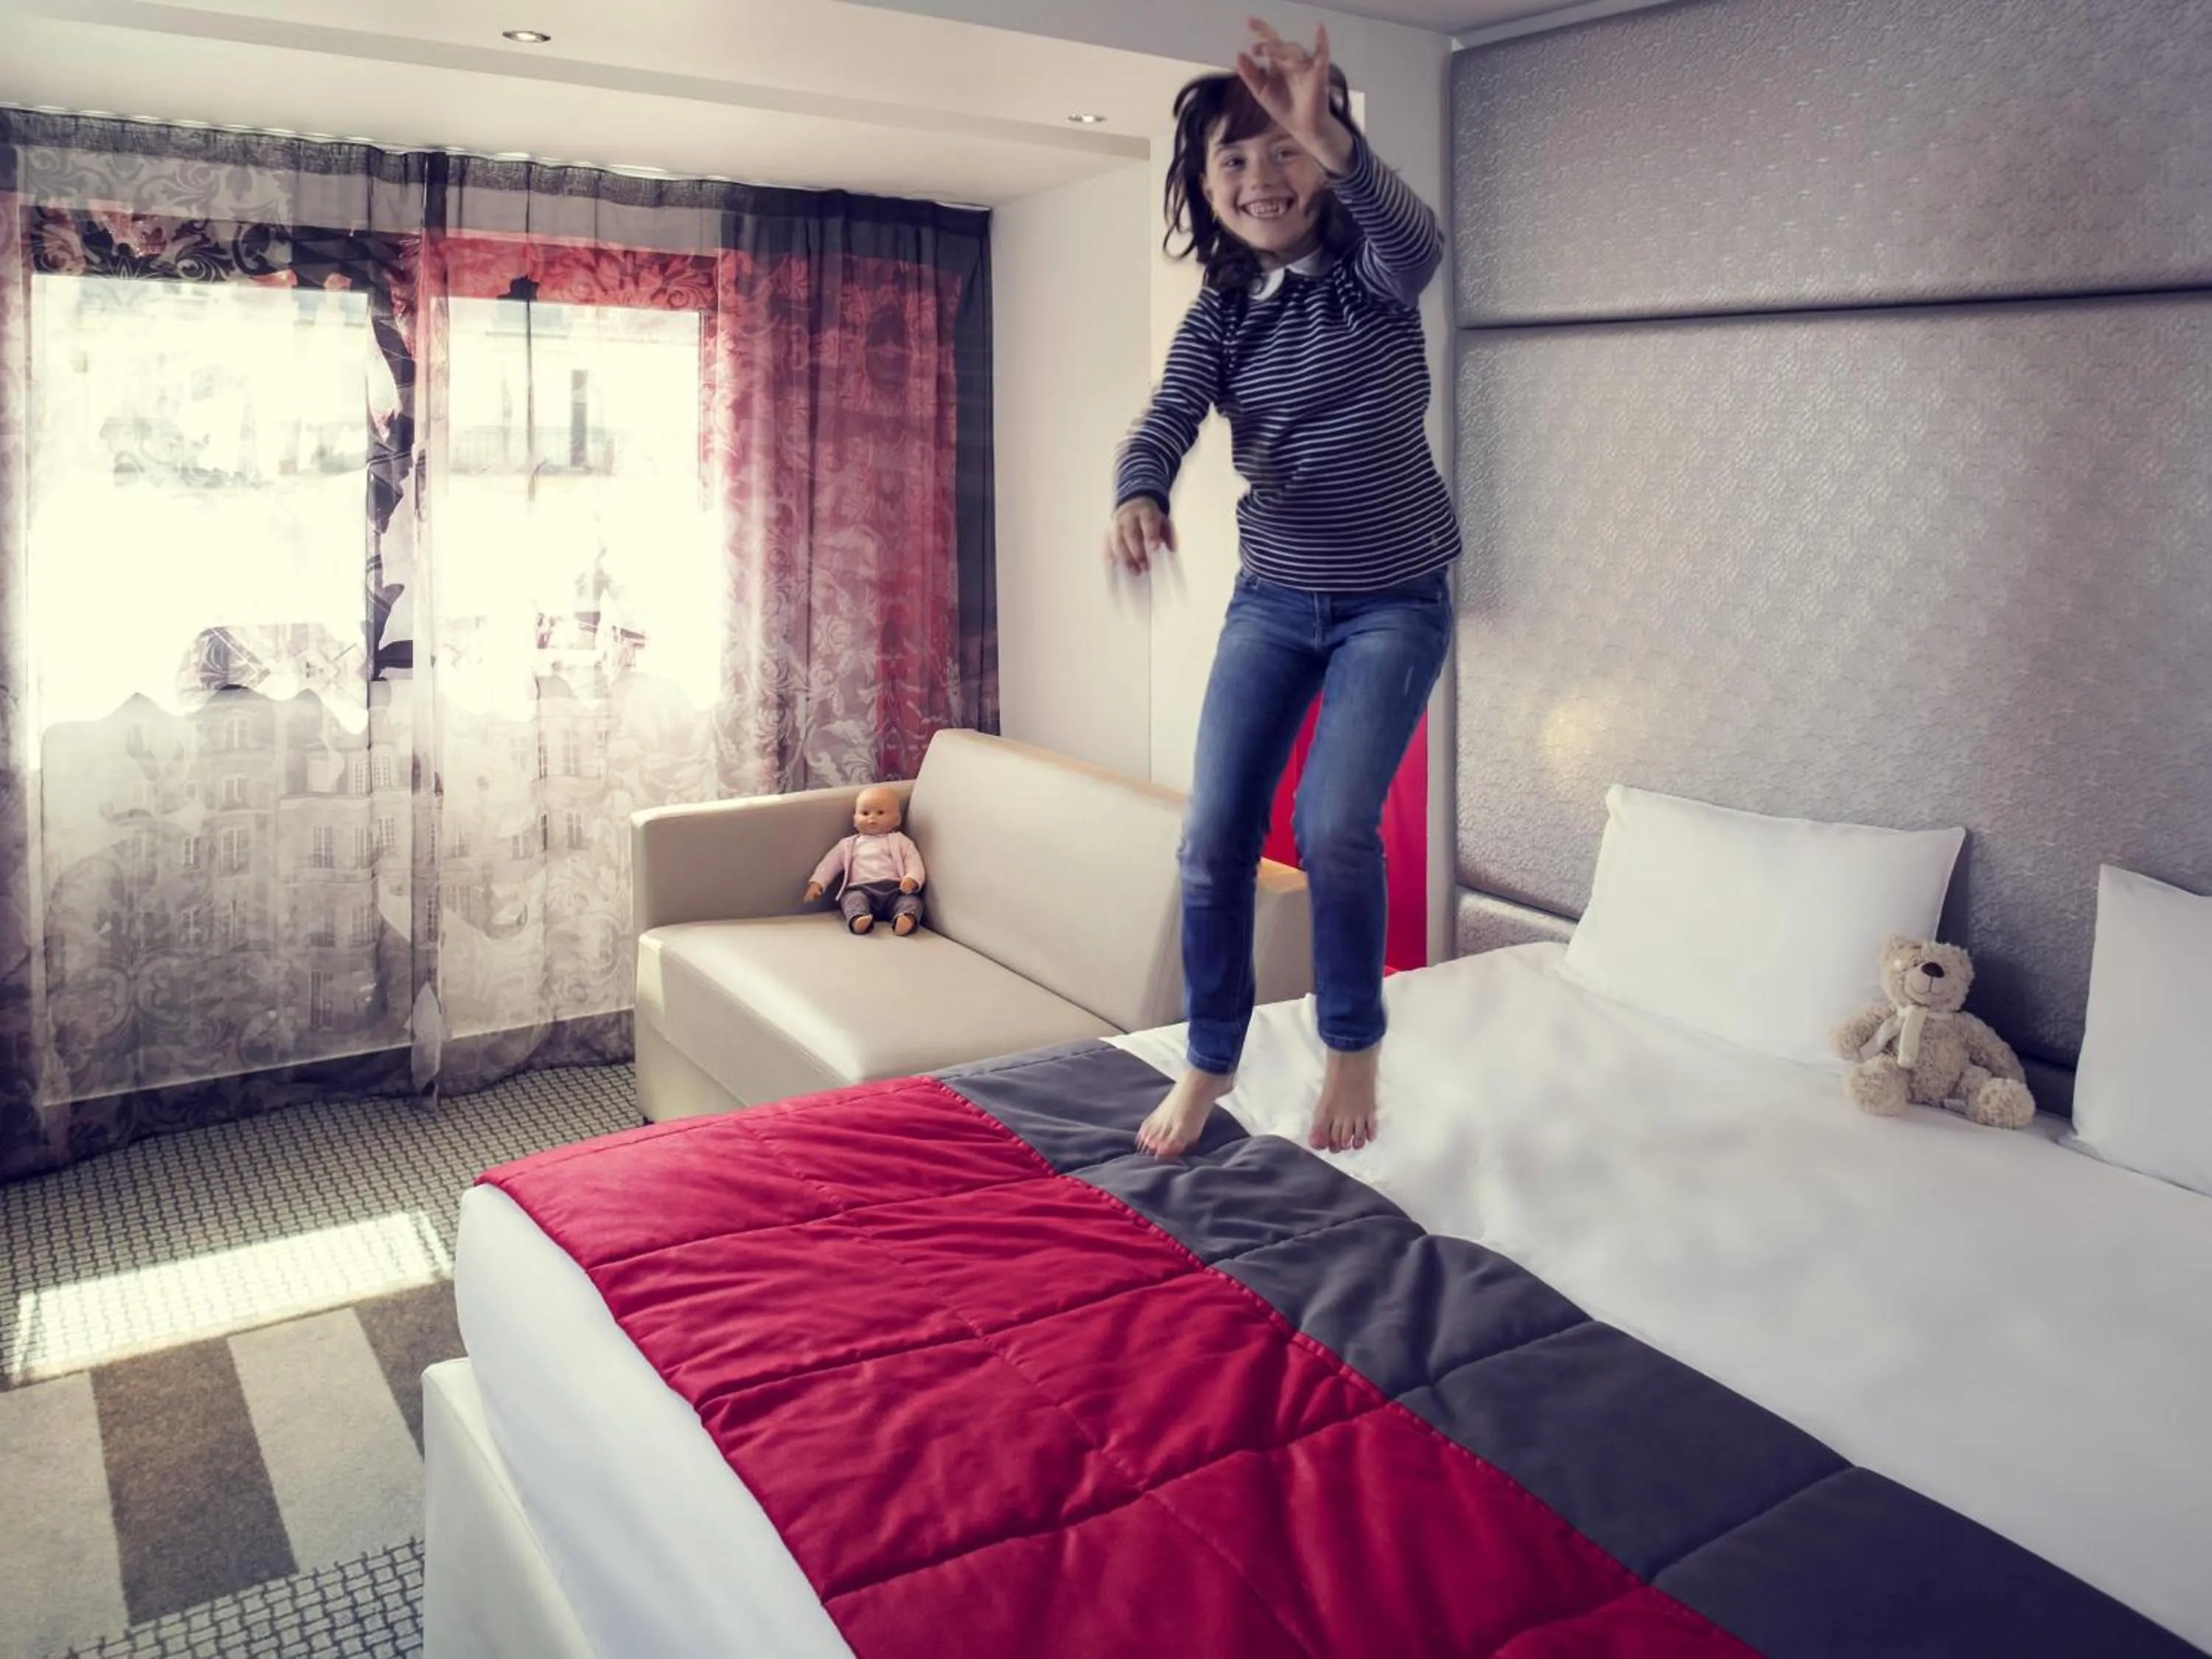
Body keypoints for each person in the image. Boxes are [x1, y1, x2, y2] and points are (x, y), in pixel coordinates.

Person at [1111, 19, 1459, 1158]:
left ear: (1321, 163)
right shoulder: (1221, 314)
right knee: (1212, 835)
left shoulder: (1372, 281)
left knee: (1333, 825)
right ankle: (1212, 1054)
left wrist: (1336, 135)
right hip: (1273, 598)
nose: (1262, 176)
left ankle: (1352, 1040)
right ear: (1205, 186)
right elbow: (1168, 416)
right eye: (1235, 159)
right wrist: (1139, 491)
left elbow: (1417, 238)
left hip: (1392, 601)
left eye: (1285, 151)